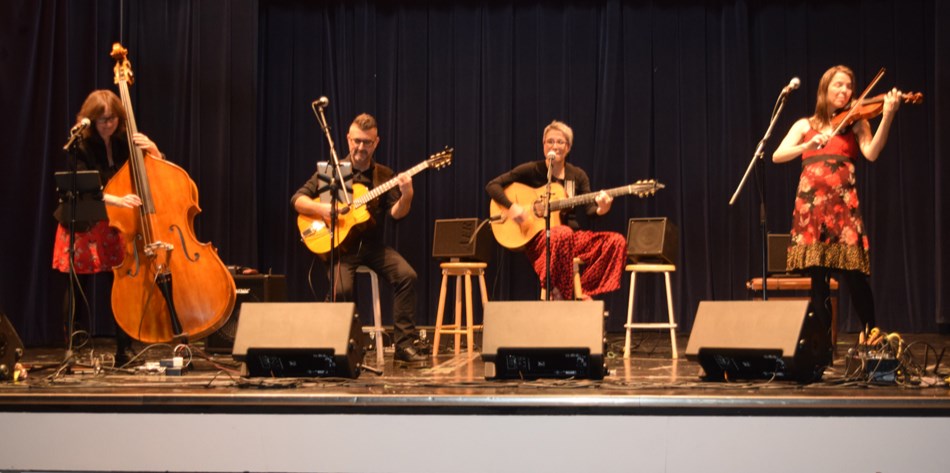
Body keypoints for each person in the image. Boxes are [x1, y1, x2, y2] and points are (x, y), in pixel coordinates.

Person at [772, 65, 902, 340]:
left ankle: (872, 336)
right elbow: (778, 155)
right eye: (839, 85)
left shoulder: (856, 123)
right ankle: (822, 349)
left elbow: (872, 153)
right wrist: (806, 146)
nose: (845, 91)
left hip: (843, 209)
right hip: (811, 210)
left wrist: (887, 115)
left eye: (849, 87)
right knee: (818, 281)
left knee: (855, 276)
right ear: (825, 89)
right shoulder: (804, 125)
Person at [292, 113, 429, 366]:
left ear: (376, 142)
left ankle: (403, 345)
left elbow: (397, 214)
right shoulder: (333, 172)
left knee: (407, 276)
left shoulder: (383, 175)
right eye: (356, 141)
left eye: (367, 142)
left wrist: (407, 194)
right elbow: (297, 200)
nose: (360, 147)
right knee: (341, 290)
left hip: (373, 247)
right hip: (342, 249)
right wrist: (324, 210)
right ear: (347, 139)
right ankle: (345, 346)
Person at [51, 89, 163, 365]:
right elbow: (83, 187)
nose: (108, 124)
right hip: (85, 222)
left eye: (112, 119)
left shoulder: (126, 140)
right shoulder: (81, 144)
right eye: (102, 120)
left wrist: (153, 149)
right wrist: (118, 199)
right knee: (77, 285)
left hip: (116, 223)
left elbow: (157, 174)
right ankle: (74, 350)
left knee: (122, 285)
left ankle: (124, 349)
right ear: (90, 120)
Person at [486, 120, 626, 300]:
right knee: (561, 233)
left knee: (616, 242)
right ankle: (557, 291)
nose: (555, 146)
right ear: (544, 145)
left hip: (570, 236)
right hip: (540, 239)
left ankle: (582, 291)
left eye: (560, 142)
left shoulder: (577, 175)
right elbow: (492, 186)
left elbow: (591, 210)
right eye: (550, 141)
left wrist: (602, 208)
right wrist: (512, 207)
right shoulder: (532, 170)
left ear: (568, 147)